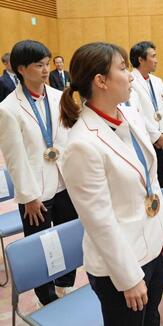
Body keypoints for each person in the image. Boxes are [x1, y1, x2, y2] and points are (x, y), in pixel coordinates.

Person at [61, 42, 163, 326]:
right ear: (100, 81)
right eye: (122, 69)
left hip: (152, 245)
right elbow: (100, 221)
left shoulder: (129, 115)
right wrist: (129, 278)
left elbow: (151, 182)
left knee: (152, 318)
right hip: (121, 266)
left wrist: (162, 232)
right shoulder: (81, 143)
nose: (131, 75)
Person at [0, 40, 78, 305]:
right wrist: (29, 197)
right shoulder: (9, 108)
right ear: (21, 69)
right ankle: (47, 299)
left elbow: (68, 136)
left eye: (47, 64)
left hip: (65, 182)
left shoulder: (58, 96)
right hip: (36, 193)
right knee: (42, 248)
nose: (46, 70)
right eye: (39, 65)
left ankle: (66, 286)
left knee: (69, 238)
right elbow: (15, 159)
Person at [130, 41, 163, 188]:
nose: (156, 60)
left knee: (160, 180)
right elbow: (136, 114)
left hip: (161, 139)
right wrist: (156, 136)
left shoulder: (157, 81)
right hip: (145, 139)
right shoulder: (130, 81)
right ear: (141, 59)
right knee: (146, 182)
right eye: (153, 56)